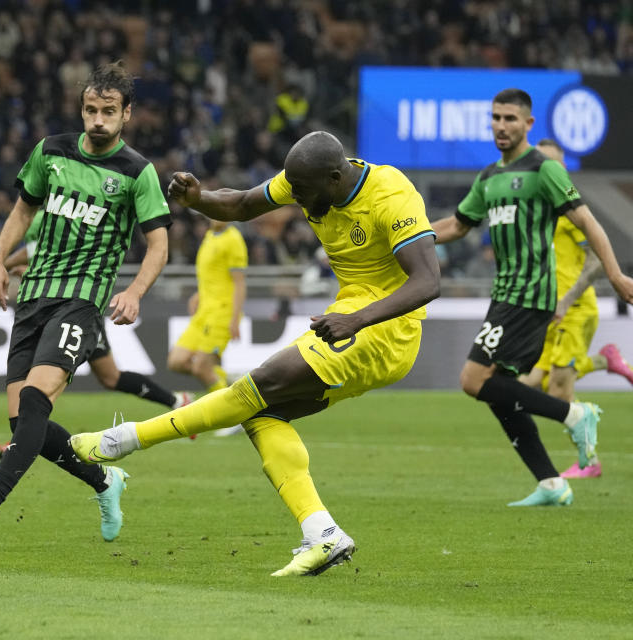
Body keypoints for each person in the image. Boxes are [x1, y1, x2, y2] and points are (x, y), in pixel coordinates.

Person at [71, 131, 441, 576]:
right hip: (349, 317)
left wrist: (356, 320)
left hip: (385, 330)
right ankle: (322, 533)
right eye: (294, 192)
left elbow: (427, 283)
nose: (298, 203)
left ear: (336, 176)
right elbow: (243, 204)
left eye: (304, 193)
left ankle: (125, 440)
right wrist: (199, 198)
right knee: (263, 414)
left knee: (259, 383)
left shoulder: (391, 194)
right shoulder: (306, 179)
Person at [0, 63, 172, 543]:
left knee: (33, 399)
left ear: (126, 114)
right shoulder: (50, 152)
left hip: (81, 302)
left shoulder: (137, 172)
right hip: (33, 299)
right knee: (24, 422)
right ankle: (104, 479)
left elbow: (158, 244)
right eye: (91, 110)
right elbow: (23, 209)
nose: (98, 120)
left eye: (109, 111)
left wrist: (133, 292)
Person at [431, 89, 633, 507]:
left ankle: (577, 415)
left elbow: (589, 223)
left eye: (509, 118)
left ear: (528, 124)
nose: (501, 125)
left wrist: (614, 274)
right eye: (495, 118)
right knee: (498, 387)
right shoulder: (488, 178)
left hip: (530, 294)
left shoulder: (545, 171)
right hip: (504, 294)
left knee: (472, 380)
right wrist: (404, 239)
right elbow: (456, 225)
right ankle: (550, 482)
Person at [0, 209, 193, 459]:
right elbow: (37, 250)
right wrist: (5, 265)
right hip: (52, 303)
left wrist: (2, 264)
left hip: (76, 307)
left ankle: (20, 438)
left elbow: (43, 250)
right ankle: (177, 401)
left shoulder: (64, 205)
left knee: (49, 373)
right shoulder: (42, 210)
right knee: (109, 377)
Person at [518, 138, 633, 479]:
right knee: (526, 387)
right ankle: (605, 360)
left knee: (558, 390)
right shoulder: (537, 210)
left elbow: (597, 261)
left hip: (575, 309)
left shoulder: (570, 210)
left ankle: (590, 461)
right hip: (547, 313)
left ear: (562, 169)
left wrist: (567, 299)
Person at [167, 218, 247, 436]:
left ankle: (235, 416)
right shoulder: (210, 236)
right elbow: (214, 275)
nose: (215, 215)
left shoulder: (233, 240)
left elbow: (239, 282)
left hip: (222, 311)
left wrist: (234, 318)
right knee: (176, 361)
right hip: (204, 311)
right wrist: (199, 294)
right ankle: (229, 381)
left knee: (202, 367)